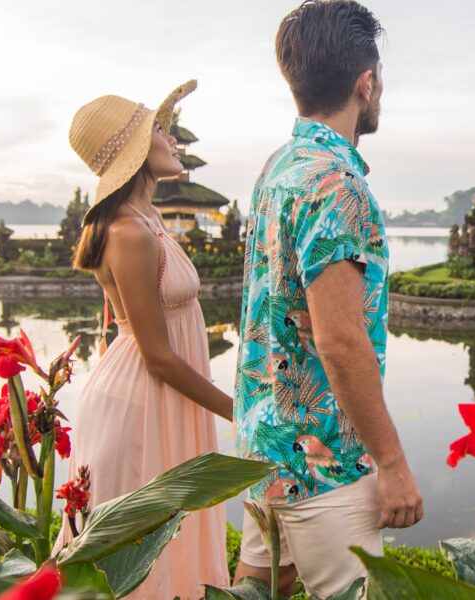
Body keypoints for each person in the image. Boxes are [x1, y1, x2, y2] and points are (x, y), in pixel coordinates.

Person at [233, 1, 423, 596]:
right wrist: (390, 464)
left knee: (256, 589)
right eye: (379, 81)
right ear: (365, 84)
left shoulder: (280, 169)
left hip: (264, 447)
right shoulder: (336, 184)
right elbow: (338, 339)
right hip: (325, 466)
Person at [59, 80, 235, 598]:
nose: (172, 137)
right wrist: (238, 408)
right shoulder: (127, 233)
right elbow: (157, 357)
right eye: (161, 129)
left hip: (163, 398)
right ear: (136, 150)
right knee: (134, 565)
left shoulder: (148, 219)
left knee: (168, 545)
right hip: (142, 402)